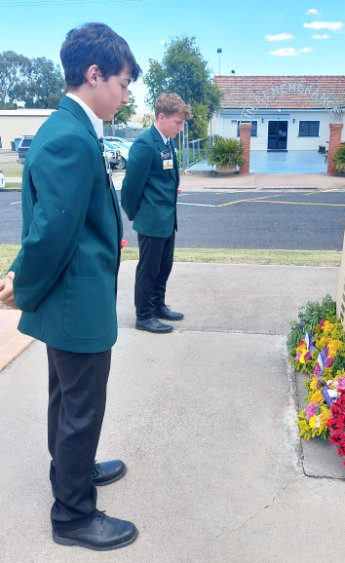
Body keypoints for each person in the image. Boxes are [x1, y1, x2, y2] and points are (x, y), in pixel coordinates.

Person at [0, 23, 140, 551]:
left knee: (68, 399)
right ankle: (73, 515)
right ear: (94, 73)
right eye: (123, 85)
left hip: (75, 295)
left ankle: (71, 474)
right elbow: (52, 230)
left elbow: (71, 219)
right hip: (74, 301)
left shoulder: (73, 131)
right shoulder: (69, 137)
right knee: (81, 406)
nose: (125, 98)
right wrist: (22, 282)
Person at [121, 93, 192, 333]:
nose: (180, 128)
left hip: (167, 219)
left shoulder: (166, 141)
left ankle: (158, 305)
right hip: (151, 221)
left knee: (164, 266)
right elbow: (130, 188)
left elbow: (162, 176)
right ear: (162, 117)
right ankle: (144, 315)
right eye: (177, 123)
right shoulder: (145, 144)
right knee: (148, 270)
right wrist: (137, 215)